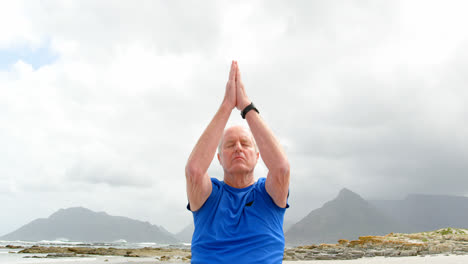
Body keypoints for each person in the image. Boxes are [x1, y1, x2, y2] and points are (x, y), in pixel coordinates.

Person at [185, 61, 290, 264]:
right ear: (219, 158)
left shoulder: (267, 193)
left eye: (245, 144)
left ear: (258, 156)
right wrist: (226, 106)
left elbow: (281, 168)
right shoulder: (209, 194)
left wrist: (246, 107)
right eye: (230, 145)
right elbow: (194, 170)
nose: (238, 148)